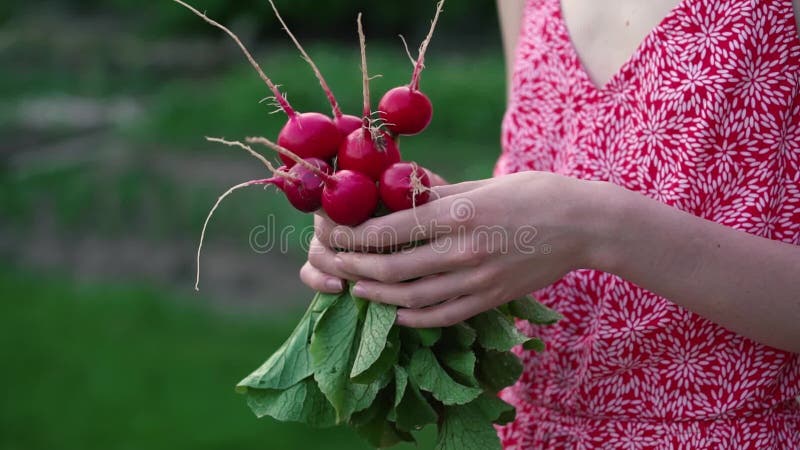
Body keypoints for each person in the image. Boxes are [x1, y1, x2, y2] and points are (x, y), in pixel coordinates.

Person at [299, 0, 800, 448]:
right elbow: (551, 161)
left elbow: (571, 213)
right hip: (529, 428)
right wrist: (438, 233)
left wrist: (594, 227)